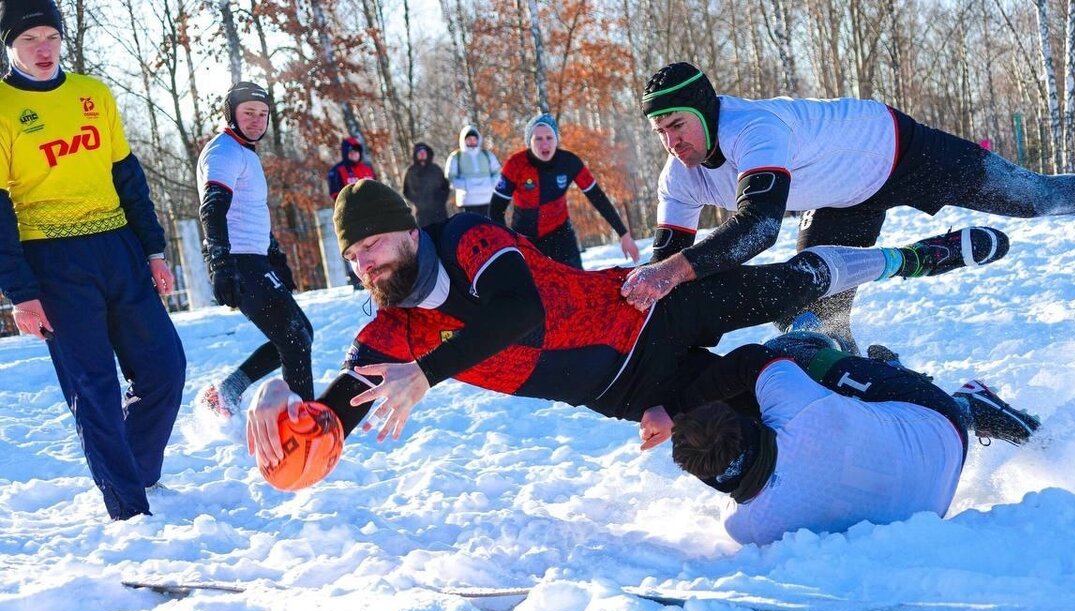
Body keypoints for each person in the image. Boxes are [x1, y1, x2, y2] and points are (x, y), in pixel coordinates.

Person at [244, 179, 1011, 467]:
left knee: (791, 284)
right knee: (777, 416)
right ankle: (953, 404)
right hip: (639, 390)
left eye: (372, 243)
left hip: (649, 307)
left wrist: (428, 375)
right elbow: (335, 409)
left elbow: (516, 312)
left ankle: (919, 257)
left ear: (406, 229)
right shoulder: (394, 326)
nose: (365, 264)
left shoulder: (466, 239)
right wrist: (285, 400)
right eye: (352, 257)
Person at [624, 62, 1075, 352]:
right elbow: (666, 267)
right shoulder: (679, 176)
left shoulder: (754, 129)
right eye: (660, 131)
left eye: (678, 125)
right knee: (812, 311)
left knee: (1037, 198)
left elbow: (759, 229)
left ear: (706, 112)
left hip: (902, 152)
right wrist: (656, 289)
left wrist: (671, 273)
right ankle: (873, 387)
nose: (673, 141)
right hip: (843, 199)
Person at [0, 0, 186, 520]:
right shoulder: (2, 107)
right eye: (29, 38)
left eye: (50, 37)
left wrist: (152, 250)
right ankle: (129, 510)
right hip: (51, 259)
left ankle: (136, 469)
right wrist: (21, 292)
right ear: (10, 45)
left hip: (119, 248)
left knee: (165, 368)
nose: (43, 48)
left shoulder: (93, 94)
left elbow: (128, 176)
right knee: (94, 387)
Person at [660, 334, 1041, 543]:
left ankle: (898, 389)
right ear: (749, 426)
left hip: (932, 500)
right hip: (934, 420)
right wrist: (676, 409)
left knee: (845, 426)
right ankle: (962, 403)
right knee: (788, 351)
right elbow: (752, 358)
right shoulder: (797, 409)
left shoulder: (744, 528)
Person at [195, 81, 314, 417]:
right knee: (295, 340)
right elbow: (213, 209)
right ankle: (302, 423)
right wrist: (221, 265)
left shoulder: (244, 152)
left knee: (300, 334)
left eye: (263, 115)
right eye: (248, 113)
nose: (257, 121)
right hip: (238, 260)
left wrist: (275, 257)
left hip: (255, 258)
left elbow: (251, 212)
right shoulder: (224, 151)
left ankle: (227, 392)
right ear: (230, 113)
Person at [489, 112, 640, 268]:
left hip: (561, 235)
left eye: (549, 138)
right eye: (538, 139)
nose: (544, 144)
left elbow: (597, 197)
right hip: (526, 239)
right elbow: (495, 209)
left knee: (576, 285)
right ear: (529, 142)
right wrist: (505, 243)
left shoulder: (569, 162)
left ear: (556, 140)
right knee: (534, 290)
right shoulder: (515, 164)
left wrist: (624, 234)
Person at [326, 135, 373, 289]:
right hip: (350, 216)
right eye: (351, 152)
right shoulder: (338, 171)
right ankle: (356, 278)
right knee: (354, 247)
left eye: (356, 152)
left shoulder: (367, 168)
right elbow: (335, 194)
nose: (354, 155)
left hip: (371, 214)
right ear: (346, 153)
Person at [445, 125, 501, 215]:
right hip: (467, 201)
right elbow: (450, 178)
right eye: (469, 139)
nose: (472, 141)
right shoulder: (456, 157)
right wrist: (467, 185)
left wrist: (490, 183)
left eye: (474, 139)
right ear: (463, 140)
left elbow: (497, 172)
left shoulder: (487, 155)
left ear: (478, 139)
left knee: (488, 227)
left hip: (488, 200)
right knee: (470, 228)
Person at [402, 142, 450, 228]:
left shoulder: (436, 169)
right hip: (422, 213)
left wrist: (441, 201)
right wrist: (419, 202)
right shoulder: (411, 172)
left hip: (439, 211)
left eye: (424, 152)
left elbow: (445, 186)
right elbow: (407, 191)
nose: (422, 155)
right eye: (419, 153)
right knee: (427, 236)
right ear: (415, 155)